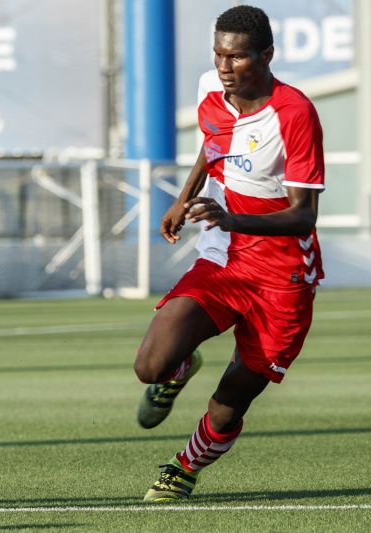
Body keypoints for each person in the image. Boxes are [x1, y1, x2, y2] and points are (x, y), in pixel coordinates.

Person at [133, 5, 325, 502]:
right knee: (150, 366)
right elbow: (212, 141)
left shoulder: (294, 113)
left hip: (283, 275)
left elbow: (305, 215)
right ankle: (179, 368)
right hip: (224, 257)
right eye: (218, 54)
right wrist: (184, 196)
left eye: (236, 58)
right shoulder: (210, 89)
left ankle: (185, 467)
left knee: (230, 403)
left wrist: (231, 217)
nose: (224, 66)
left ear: (266, 55)